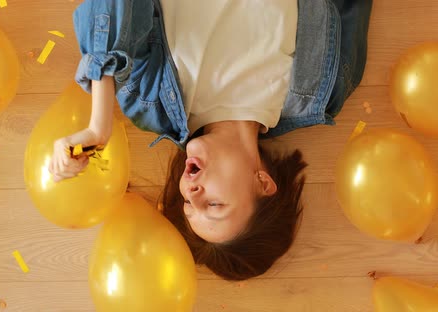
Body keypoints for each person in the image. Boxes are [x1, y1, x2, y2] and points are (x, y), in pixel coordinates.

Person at [49, 0, 372, 281]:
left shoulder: (152, 103)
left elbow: (114, 9)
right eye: (214, 205)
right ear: (263, 183)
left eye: (189, 205)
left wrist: (99, 124)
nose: (191, 193)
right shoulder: (321, 91)